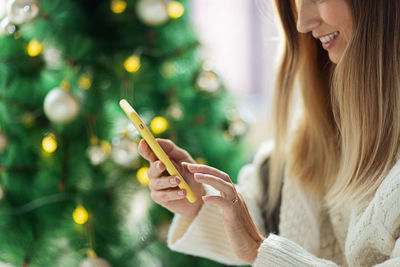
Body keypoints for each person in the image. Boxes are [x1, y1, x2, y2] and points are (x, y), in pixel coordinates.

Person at [138, 0, 400, 266]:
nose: (302, 23)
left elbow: (257, 240)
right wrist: (197, 201)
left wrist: (258, 249)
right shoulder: (312, 130)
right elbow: (262, 216)